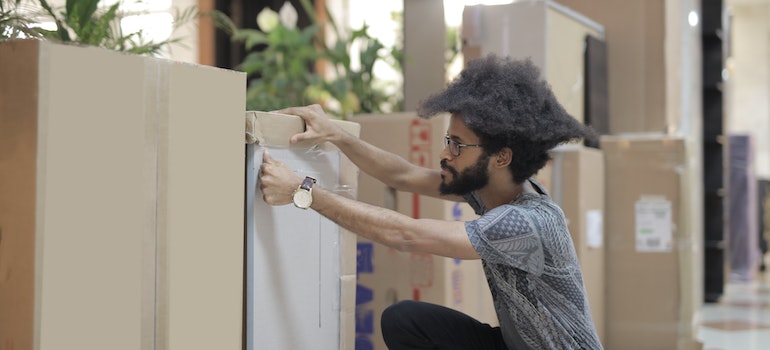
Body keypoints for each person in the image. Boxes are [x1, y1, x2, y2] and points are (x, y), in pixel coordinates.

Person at [258, 54, 603, 350]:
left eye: (457, 145)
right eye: (447, 140)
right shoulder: (493, 186)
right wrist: (336, 134)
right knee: (406, 322)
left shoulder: (527, 222)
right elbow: (403, 175)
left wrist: (303, 190)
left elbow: (406, 235)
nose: (444, 153)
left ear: (501, 157)